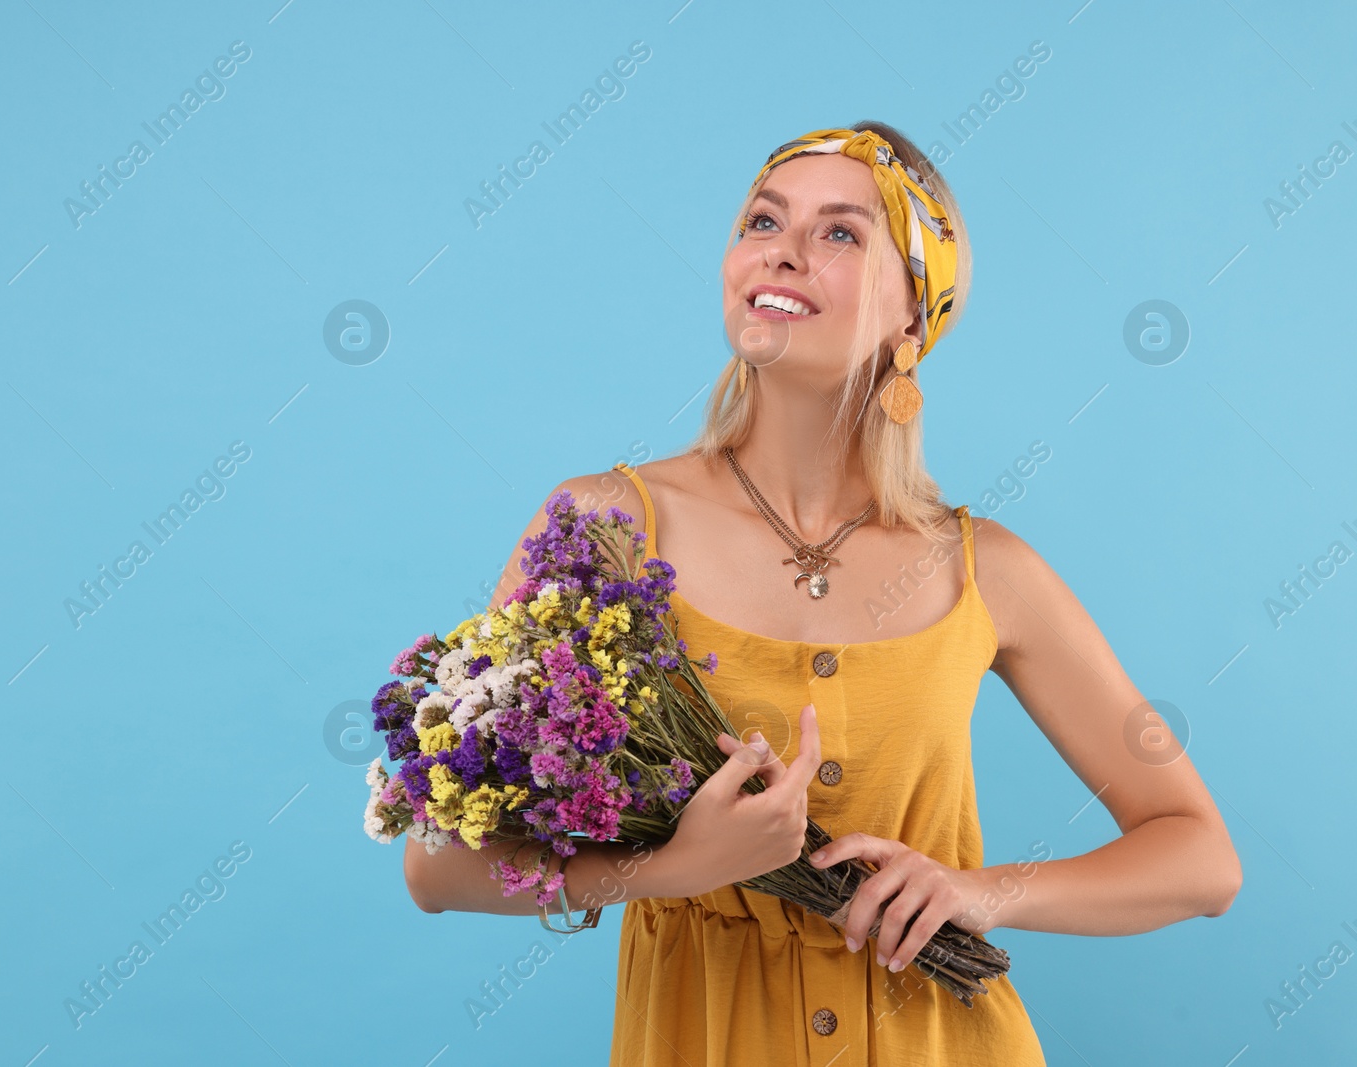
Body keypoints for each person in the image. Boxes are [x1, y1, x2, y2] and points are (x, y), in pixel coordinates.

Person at [402, 122, 1242, 1065]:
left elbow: (1201, 857)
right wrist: (672, 867)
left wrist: (979, 892)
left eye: (841, 233)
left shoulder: (982, 568)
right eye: (764, 219)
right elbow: (436, 866)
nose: (783, 249)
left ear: (912, 321)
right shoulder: (601, 530)